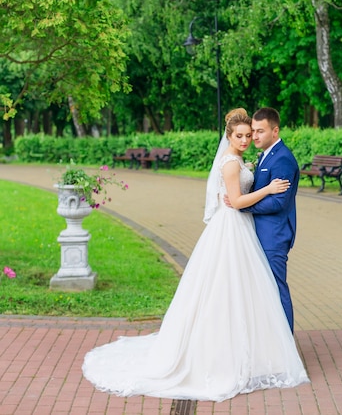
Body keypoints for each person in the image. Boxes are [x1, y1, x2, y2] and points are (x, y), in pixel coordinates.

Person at [82, 108, 308, 402]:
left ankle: (275, 348)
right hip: (234, 227)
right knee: (232, 289)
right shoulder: (231, 163)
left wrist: (253, 197)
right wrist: (260, 193)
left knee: (261, 289)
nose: (247, 139)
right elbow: (237, 200)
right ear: (229, 136)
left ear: (271, 131)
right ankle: (247, 351)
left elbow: (259, 200)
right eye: (241, 135)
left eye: (251, 134)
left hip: (254, 231)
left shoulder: (266, 159)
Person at [229, 107, 299, 333]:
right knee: (264, 291)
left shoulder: (283, 160)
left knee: (277, 289)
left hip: (274, 236)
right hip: (259, 234)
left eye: (260, 131)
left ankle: (286, 345)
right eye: (253, 131)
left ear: (275, 131)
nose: (254, 136)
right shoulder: (267, 155)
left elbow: (279, 202)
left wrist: (243, 205)